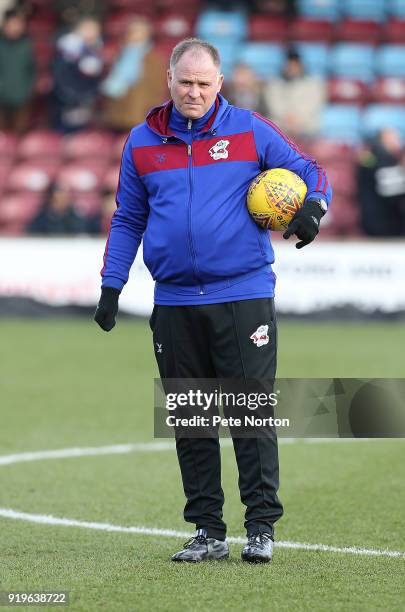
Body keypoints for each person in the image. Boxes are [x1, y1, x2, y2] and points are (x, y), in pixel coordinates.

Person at [94, 38, 331, 563]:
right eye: (186, 82)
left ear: (219, 84)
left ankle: (262, 527)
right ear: (171, 82)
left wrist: (313, 207)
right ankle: (207, 530)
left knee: (250, 414)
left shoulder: (249, 128)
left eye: (204, 83)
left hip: (243, 294)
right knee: (192, 420)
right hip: (174, 301)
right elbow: (129, 217)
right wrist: (112, 285)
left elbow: (313, 170)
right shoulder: (140, 141)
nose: (195, 92)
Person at [101, 17, 166, 131]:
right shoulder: (120, 55)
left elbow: (156, 88)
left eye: (139, 32)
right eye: (131, 32)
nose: (134, 35)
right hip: (116, 112)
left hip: (140, 114)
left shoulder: (154, 58)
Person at [51, 16, 103, 132]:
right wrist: (72, 97)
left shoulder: (95, 52)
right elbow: (61, 77)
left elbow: (95, 79)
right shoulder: (66, 51)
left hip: (86, 101)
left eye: (95, 30)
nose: (91, 33)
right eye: (88, 29)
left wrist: (89, 96)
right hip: (66, 101)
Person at [263, 47, 326, 139]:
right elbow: (274, 105)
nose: (291, 67)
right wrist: (287, 118)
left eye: (295, 64)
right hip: (281, 123)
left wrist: (297, 119)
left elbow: (313, 105)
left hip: (305, 125)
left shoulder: (313, 84)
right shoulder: (274, 84)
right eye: (289, 64)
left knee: (315, 125)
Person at [356, 127, 405, 236]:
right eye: (394, 138)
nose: (398, 141)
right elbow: (389, 188)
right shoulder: (374, 158)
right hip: (379, 221)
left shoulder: (390, 158)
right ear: (383, 139)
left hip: (384, 219)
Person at [0, 8, 35, 133]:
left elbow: (32, 70)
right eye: (12, 24)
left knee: (19, 134)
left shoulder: (28, 45)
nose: (15, 28)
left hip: (22, 98)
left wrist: (28, 89)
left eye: (19, 24)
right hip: (1, 98)